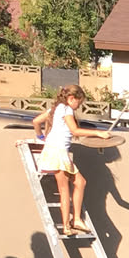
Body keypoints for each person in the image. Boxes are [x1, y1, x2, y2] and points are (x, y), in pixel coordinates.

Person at [32, 85, 93, 236]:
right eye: (79, 102)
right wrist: (98, 133)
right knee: (64, 189)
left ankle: (76, 219)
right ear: (71, 98)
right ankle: (66, 226)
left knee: (80, 182)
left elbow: (36, 122)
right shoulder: (66, 109)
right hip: (57, 152)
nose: (78, 106)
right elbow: (75, 130)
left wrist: (41, 137)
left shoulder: (54, 109)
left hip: (57, 151)